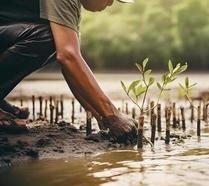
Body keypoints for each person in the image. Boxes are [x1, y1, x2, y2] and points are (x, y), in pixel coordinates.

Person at [0, 0, 137, 144]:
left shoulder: (69, 6)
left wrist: (101, 117)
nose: (110, 2)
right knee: (49, 37)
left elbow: (70, 67)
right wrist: (112, 115)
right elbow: (67, 56)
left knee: (58, 38)